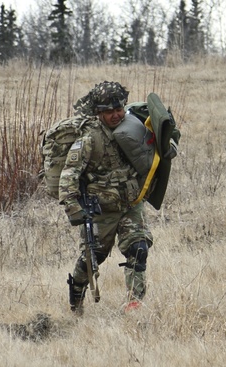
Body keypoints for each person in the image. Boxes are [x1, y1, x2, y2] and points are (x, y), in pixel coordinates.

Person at [60, 81, 152, 314]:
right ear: (99, 113)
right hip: (102, 209)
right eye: (109, 111)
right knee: (92, 259)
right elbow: (69, 174)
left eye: (119, 109)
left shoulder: (133, 126)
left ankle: (134, 302)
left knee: (138, 248)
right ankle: (77, 291)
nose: (116, 115)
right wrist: (73, 207)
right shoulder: (90, 138)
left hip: (131, 203)